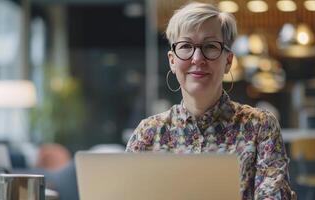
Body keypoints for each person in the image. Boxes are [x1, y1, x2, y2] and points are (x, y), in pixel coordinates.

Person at [126, 2, 296, 200]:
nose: (197, 58)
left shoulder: (260, 127)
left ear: (228, 61)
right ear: (172, 60)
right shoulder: (148, 133)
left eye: (210, 46)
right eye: (186, 46)